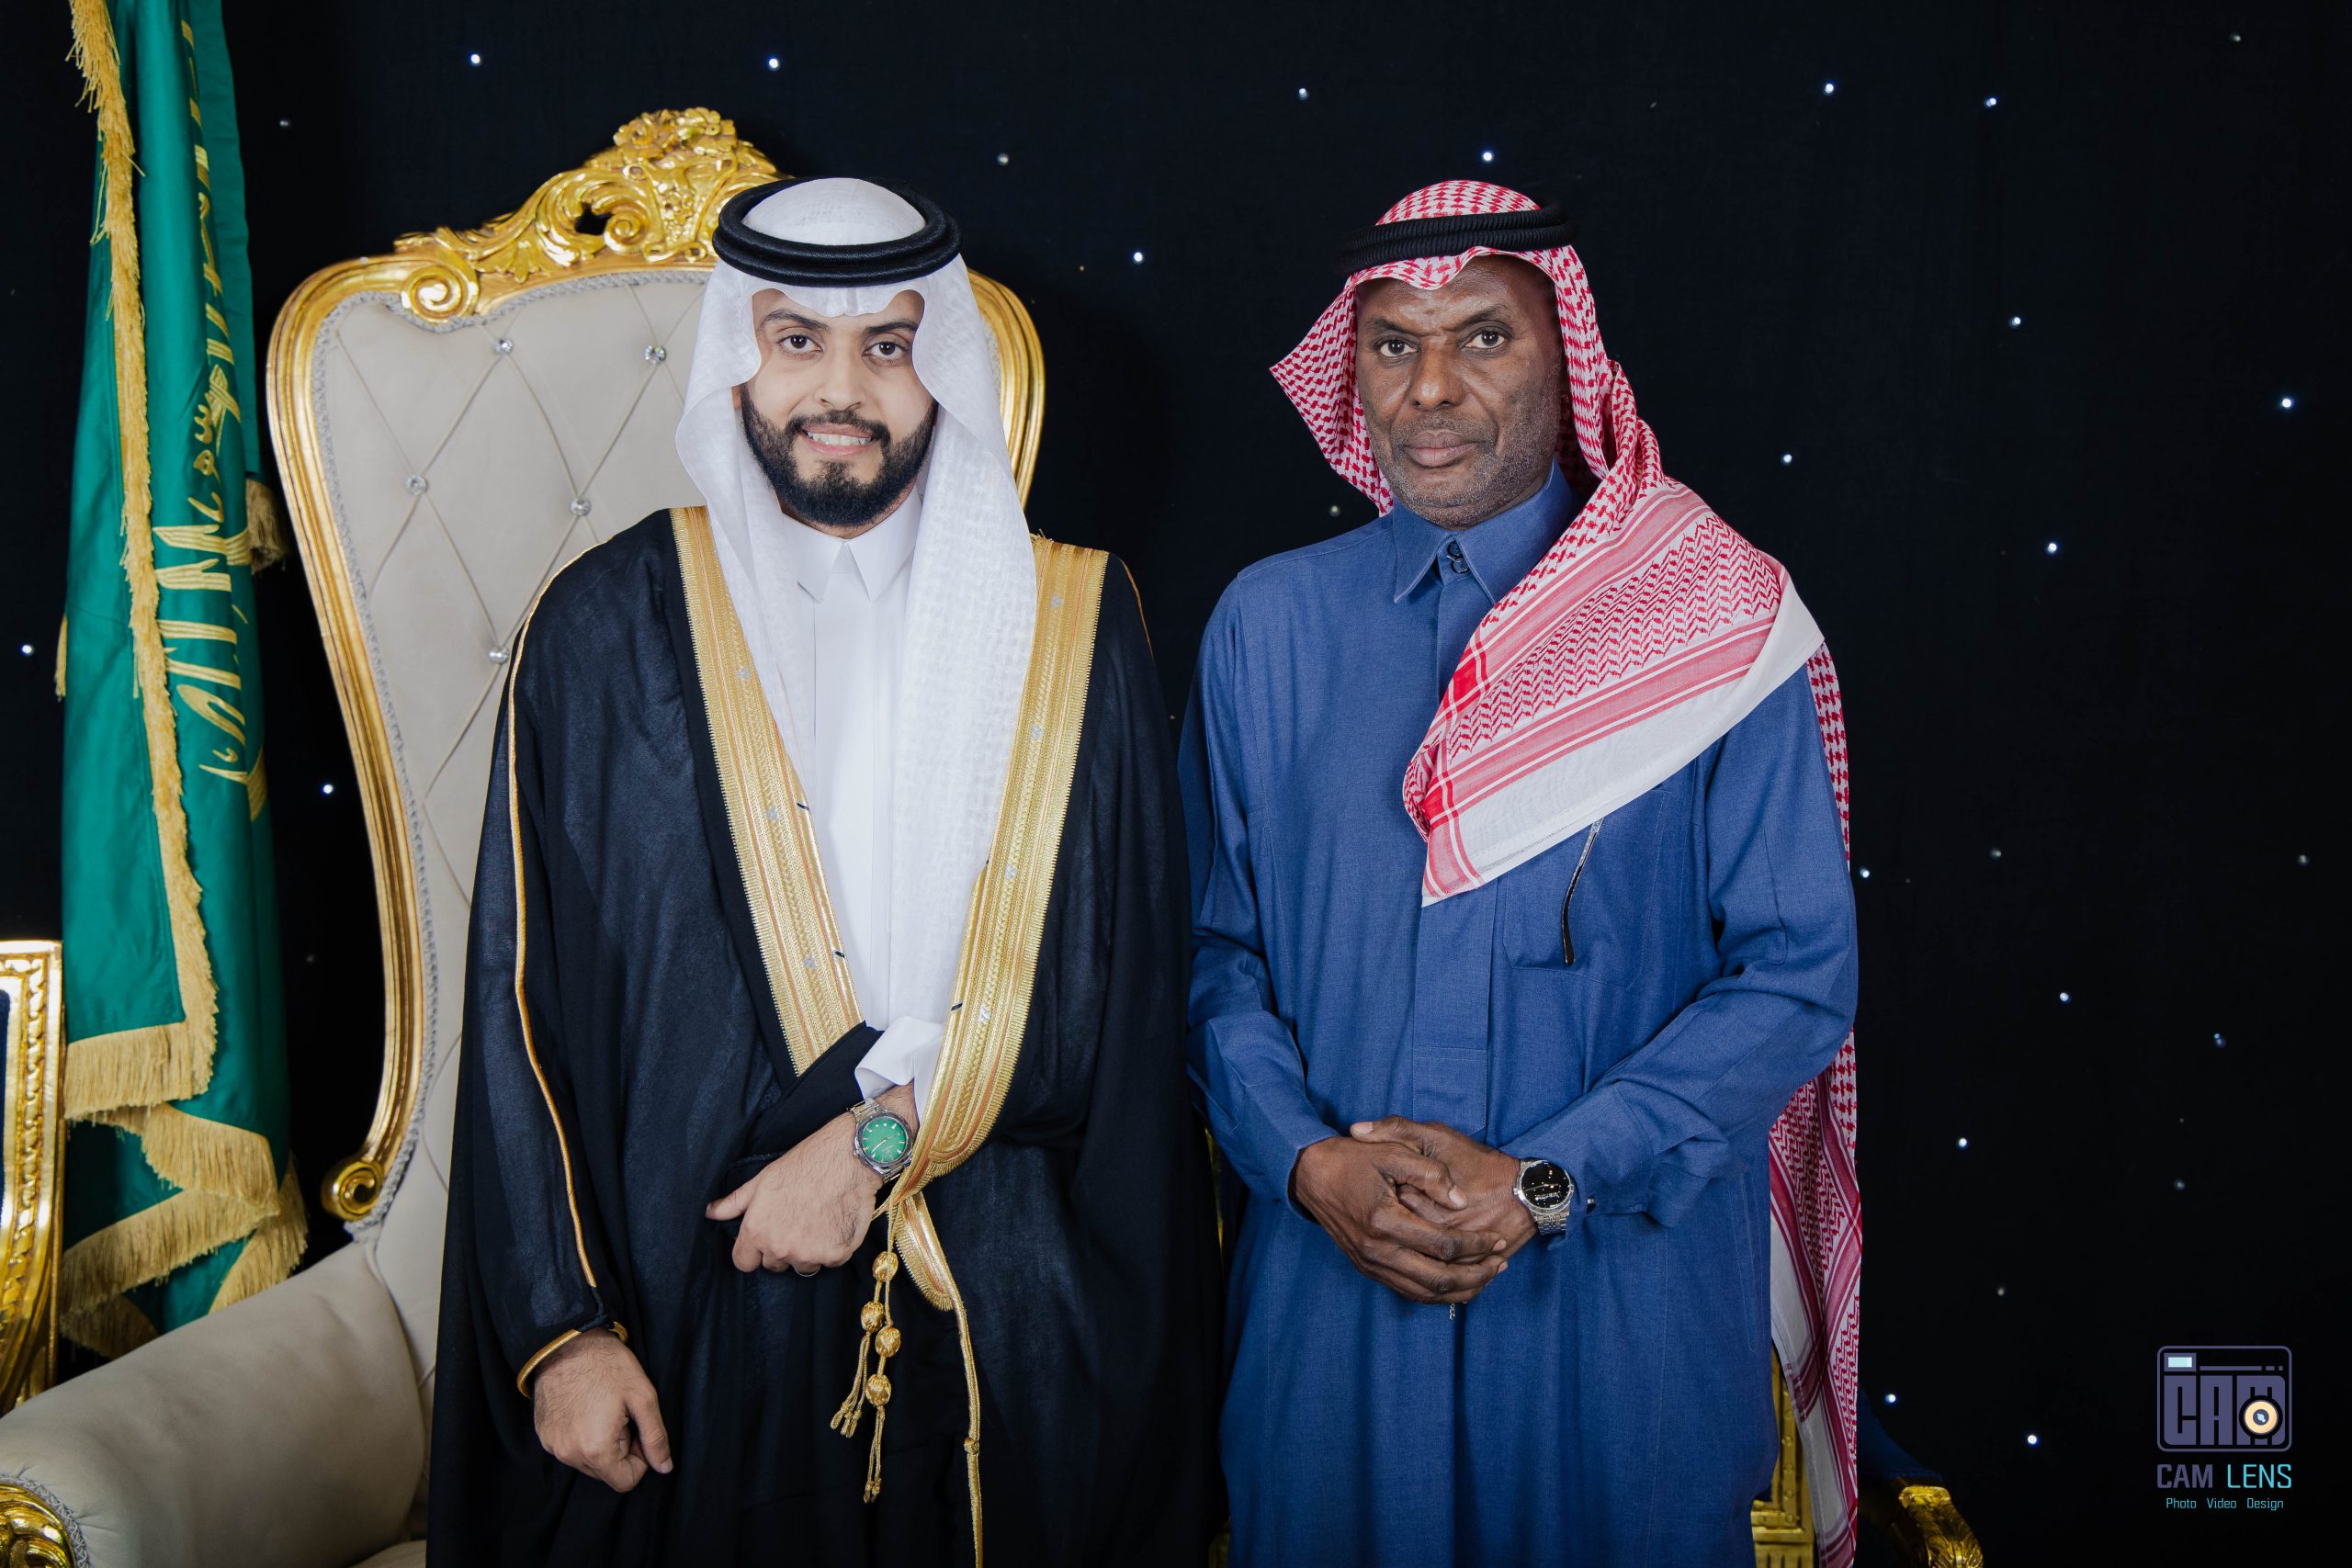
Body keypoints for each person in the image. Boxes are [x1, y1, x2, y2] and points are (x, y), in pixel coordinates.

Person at [430, 176, 1220, 1567]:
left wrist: (872, 1145)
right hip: (689, 1316)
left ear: (940, 365)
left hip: (1004, 1316)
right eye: (796, 341)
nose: (842, 390)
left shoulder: (1071, 623)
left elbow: (1117, 996)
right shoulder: (600, 629)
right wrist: (562, 1332)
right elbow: (517, 1012)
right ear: (737, 358)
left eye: (889, 346)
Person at [1182, 181, 1865, 1566]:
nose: (1430, 389)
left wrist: (1548, 1182)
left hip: (1614, 1320)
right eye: (1393, 344)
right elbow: (1214, 958)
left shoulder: (1710, 622)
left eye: (1482, 338)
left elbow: (1797, 978)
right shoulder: (1270, 626)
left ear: (1572, 361)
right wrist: (1307, 1164)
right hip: (1332, 1314)